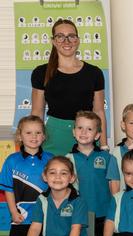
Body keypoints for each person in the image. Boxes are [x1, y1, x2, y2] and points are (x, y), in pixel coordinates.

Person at [31, 19, 107, 155]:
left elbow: (99, 112)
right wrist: (33, 146)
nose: (66, 41)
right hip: (53, 138)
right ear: (53, 41)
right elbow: (37, 113)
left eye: (71, 36)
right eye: (60, 36)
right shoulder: (41, 72)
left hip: (87, 137)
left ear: (77, 40)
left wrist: (104, 146)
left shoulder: (94, 73)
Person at [1, 116, 54, 236]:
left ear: (44, 136)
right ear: (20, 136)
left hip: (45, 218)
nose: (34, 136)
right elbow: (7, 189)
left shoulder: (50, 160)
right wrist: (14, 212)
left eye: (38, 132)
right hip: (22, 217)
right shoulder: (12, 160)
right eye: (29, 132)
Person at [66, 111, 119, 236]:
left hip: (105, 215)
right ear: (73, 131)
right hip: (80, 216)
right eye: (80, 128)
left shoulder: (108, 158)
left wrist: (115, 211)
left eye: (89, 129)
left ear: (97, 135)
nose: (84, 132)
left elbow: (115, 188)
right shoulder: (67, 159)